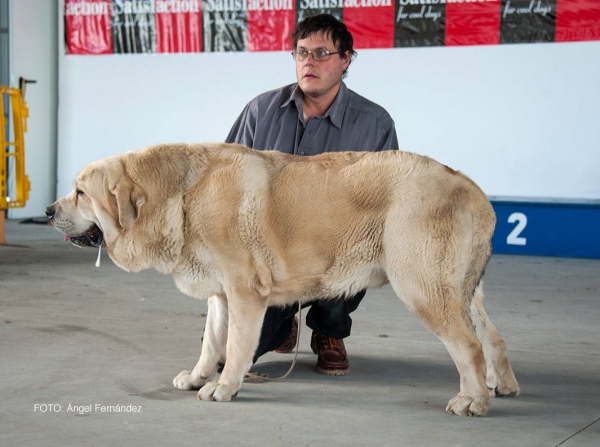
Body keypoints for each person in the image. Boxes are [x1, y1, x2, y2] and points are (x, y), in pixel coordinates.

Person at [225, 14, 399, 376]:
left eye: (322, 53)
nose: (309, 62)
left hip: (339, 250)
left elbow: (385, 204)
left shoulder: (375, 124)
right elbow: (224, 181)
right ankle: (283, 321)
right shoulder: (260, 111)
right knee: (230, 358)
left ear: (346, 59)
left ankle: (328, 330)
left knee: (367, 249)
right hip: (270, 253)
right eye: (301, 53)